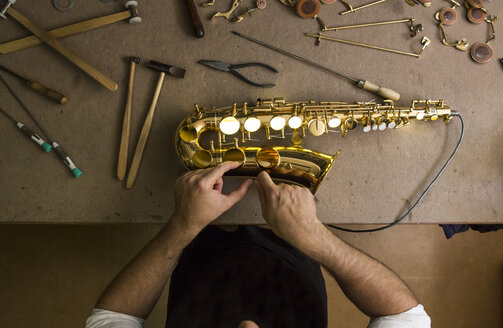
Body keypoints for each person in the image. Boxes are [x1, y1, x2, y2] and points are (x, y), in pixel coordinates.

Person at [86, 162, 431, 328]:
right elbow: (403, 316)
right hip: (296, 252)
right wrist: (315, 238)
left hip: (201, 255)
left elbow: (112, 318)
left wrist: (183, 226)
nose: (248, 327)